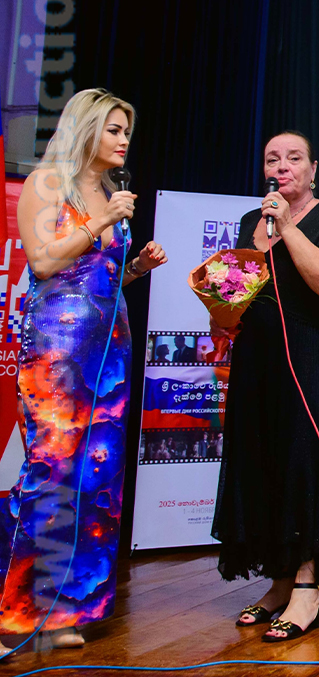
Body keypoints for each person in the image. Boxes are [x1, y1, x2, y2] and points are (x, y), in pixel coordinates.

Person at [0, 88, 168, 655]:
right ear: (86, 129)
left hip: (109, 352)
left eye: (127, 131)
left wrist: (136, 267)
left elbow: (101, 276)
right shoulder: (47, 185)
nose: (124, 140)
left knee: (95, 481)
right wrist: (101, 220)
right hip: (58, 354)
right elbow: (44, 261)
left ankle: (69, 609)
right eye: (114, 130)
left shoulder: (109, 191)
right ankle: (21, 611)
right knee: (52, 472)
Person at [212, 131, 319, 642]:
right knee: (264, 461)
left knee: (304, 465)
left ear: (313, 169)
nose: (282, 166)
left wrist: (286, 227)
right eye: (272, 159)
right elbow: (234, 293)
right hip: (257, 358)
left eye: (294, 158)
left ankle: (307, 586)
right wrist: (219, 305)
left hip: (313, 356)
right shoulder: (248, 223)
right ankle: (278, 581)